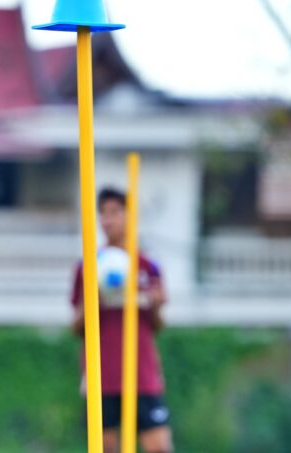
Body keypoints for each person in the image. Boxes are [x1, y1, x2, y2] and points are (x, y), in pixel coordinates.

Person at [70, 187, 173, 453]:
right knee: (105, 448)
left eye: (115, 212)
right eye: (103, 213)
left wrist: (154, 304)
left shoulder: (147, 266)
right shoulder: (88, 266)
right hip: (102, 374)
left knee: (159, 447)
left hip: (142, 373)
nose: (108, 220)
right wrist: (93, 300)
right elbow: (77, 328)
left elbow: (157, 326)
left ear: (130, 215)